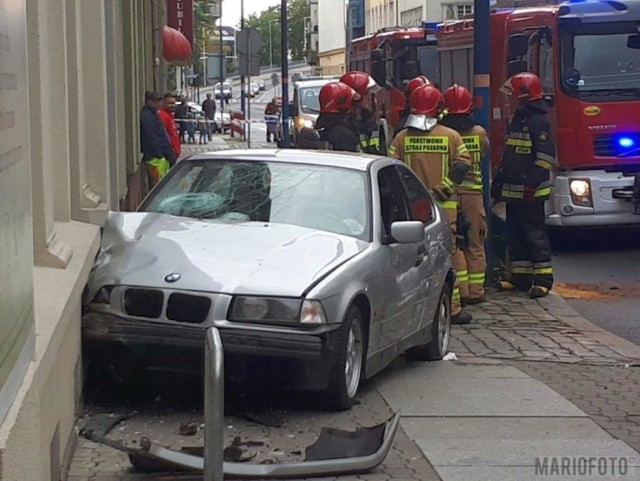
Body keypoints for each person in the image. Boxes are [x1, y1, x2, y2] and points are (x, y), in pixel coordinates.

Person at [388, 84, 473, 324]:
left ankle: (415, 309)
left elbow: (391, 169)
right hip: (443, 207)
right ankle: (452, 308)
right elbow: (462, 164)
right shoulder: (451, 136)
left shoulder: (402, 138)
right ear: (439, 109)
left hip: (411, 209)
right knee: (448, 256)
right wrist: (445, 188)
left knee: (412, 259)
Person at [491, 72, 556, 299]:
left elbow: (545, 158)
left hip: (530, 192)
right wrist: (499, 182)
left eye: (515, 94)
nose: (512, 99)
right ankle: (520, 279)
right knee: (515, 234)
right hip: (513, 190)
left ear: (524, 95)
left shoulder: (538, 121)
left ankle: (543, 280)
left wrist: (531, 185)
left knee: (534, 235)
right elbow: (511, 156)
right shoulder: (521, 119)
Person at [441, 84, 489, 305]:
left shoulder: (445, 134)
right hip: (473, 194)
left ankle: (461, 291)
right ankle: (476, 290)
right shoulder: (479, 133)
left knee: (455, 244)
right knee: (475, 242)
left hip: (449, 193)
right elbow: (485, 152)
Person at [340, 71, 385, 155]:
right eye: (367, 93)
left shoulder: (366, 121)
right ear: (356, 96)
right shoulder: (344, 129)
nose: (369, 97)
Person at [140, 90, 174, 187]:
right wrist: (159, 154)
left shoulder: (154, 114)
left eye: (159, 101)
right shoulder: (147, 116)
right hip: (156, 159)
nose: (158, 103)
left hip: (161, 158)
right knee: (158, 186)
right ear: (149, 101)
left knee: (162, 184)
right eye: (156, 101)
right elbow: (152, 136)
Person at [314, 82, 360, 152]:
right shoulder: (342, 135)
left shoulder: (330, 128)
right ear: (343, 104)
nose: (355, 107)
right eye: (352, 103)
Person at [158, 93, 181, 162]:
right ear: (163, 103)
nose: (173, 105)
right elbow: (163, 135)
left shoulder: (169, 115)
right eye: (170, 103)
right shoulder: (163, 115)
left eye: (174, 103)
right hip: (168, 154)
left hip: (173, 153)